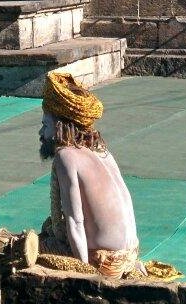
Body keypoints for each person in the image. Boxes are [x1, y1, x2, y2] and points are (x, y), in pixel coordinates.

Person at [38, 70, 141, 278]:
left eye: (45, 126)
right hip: (131, 254)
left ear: (58, 127)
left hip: (106, 262)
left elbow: (75, 222)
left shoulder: (66, 156)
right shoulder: (102, 151)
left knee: (27, 248)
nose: (41, 133)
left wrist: (84, 274)